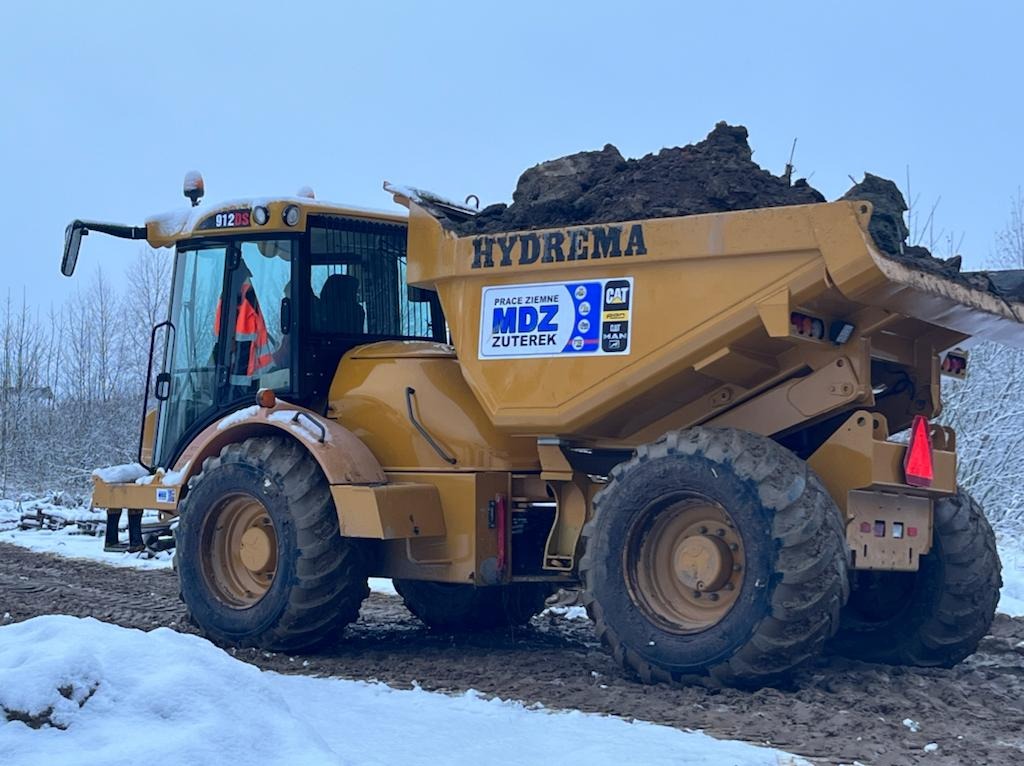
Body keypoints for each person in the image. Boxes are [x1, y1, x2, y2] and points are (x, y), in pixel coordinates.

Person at [215, 262, 276, 386]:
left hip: (239, 366)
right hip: (246, 366)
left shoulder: (231, 295)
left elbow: (218, 330)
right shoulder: (245, 294)